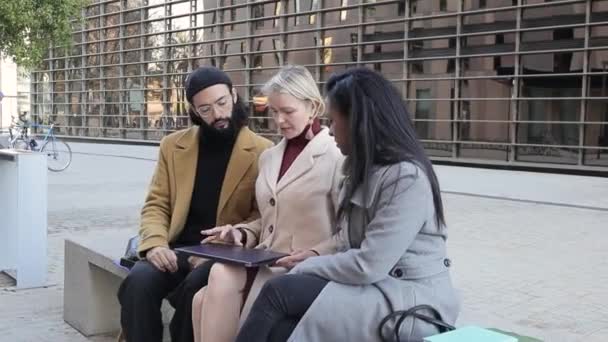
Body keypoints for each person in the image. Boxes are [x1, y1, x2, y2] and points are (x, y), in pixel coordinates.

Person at [235, 67, 460, 342]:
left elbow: (369, 263)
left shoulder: (406, 177)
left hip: (411, 300)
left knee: (279, 291)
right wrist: (313, 256)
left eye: (333, 119)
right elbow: (346, 240)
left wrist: (307, 266)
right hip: (374, 288)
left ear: (357, 121)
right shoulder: (359, 169)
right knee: (282, 328)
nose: (329, 130)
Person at [117, 66, 273, 342]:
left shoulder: (263, 151)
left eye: (222, 103)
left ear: (234, 96)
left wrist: (224, 245)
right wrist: (155, 244)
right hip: (177, 250)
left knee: (194, 290)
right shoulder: (172, 146)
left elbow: (262, 215)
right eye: (206, 109)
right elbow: (157, 204)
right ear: (193, 111)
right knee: (138, 282)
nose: (218, 115)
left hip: (226, 256)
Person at [190, 65, 344, 342]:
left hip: (303, 268)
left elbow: (350, 230)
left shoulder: (336, 156)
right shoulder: (270, 157)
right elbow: (270, 217)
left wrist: (316, 253)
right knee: (205, 292)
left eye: (288, 111)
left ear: (312, 106)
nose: (279, 120)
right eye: (274, 112)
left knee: (208, 292)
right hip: (264, 260)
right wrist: (240, 232)